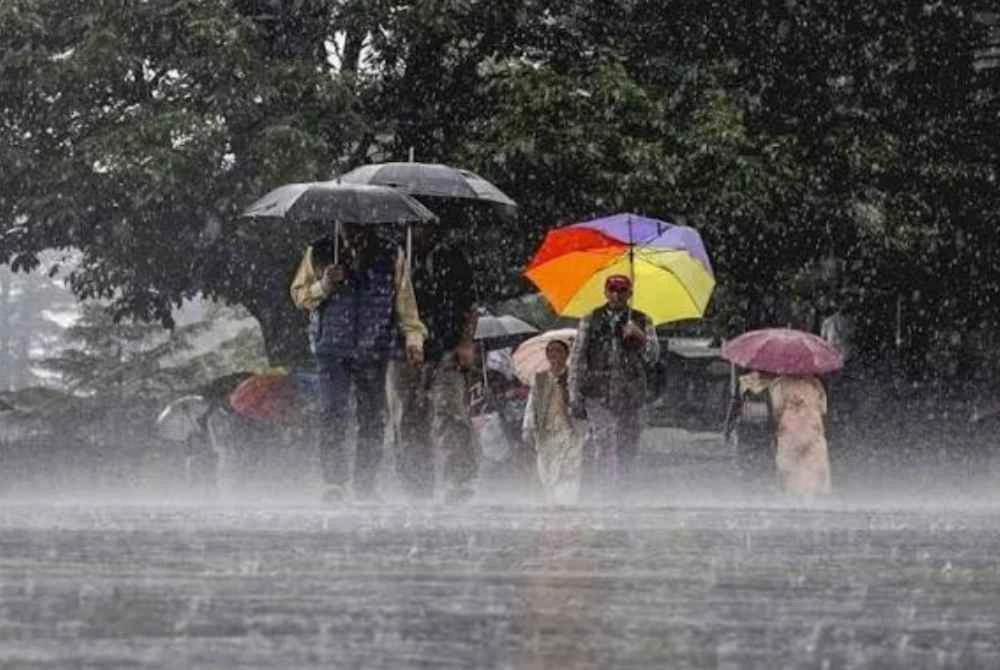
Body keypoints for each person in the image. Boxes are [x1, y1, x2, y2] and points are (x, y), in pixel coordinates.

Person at [290, 226, 426, 503]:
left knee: (372, 417)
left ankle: (366, 484)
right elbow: (299, 295)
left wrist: (414, 339)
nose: (352, 233)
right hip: (331, 349)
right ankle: (334, 483)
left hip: (373, 348)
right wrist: (324, 285)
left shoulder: (390, 253)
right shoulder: (320, 250)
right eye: (346, 227)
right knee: (333, 412)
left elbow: (405, 302)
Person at [385, 225, 479, 501]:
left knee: (450, 412)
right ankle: (416, 484)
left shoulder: (451, 257)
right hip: (399, 351)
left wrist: (465, 342)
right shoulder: (392, 257)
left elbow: (470, 305)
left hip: (445, 350)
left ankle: (459, 480)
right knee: (406, 419)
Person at [568, 274, 660, 496]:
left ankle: (623, 492)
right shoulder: (590, 319)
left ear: (629, 293)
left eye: (622, 290)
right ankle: (603, 494)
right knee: (603, 442)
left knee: (627, 446)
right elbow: (578, 357)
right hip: (598, 391)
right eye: (612, 289)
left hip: (630, 393)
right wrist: (574, 394)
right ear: (605, 291)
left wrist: (640, 337)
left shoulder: (642, 319)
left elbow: (653, 357)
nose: (616, 294)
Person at [739, 371, 832, 496]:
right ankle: (811, 492)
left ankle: (792, 492)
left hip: (790, 428)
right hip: (812, 427)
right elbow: (823, 408)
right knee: (812, 463)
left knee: (790, 464)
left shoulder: (780, 384)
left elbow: (776, 408)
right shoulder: (816, 384)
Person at [522, 339, 584, 505]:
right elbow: (531, 404)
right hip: (546, 430)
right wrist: (527, 427)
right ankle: (551, 502)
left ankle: (567, 501)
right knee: (546, 469)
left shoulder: (573, 377)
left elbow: (579, 403)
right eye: (551, 351)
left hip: (568, 430)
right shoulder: (539, 379)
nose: (554, 355)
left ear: (566, 354)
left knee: (568, 468)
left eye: (558, 351)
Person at [430, 337, 481, 502]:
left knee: (457, 430)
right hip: (447, 369)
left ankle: (457, 480)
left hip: (449, 370)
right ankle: (454, 481)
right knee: (454, 429)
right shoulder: (449, 368)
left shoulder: (456, 370)